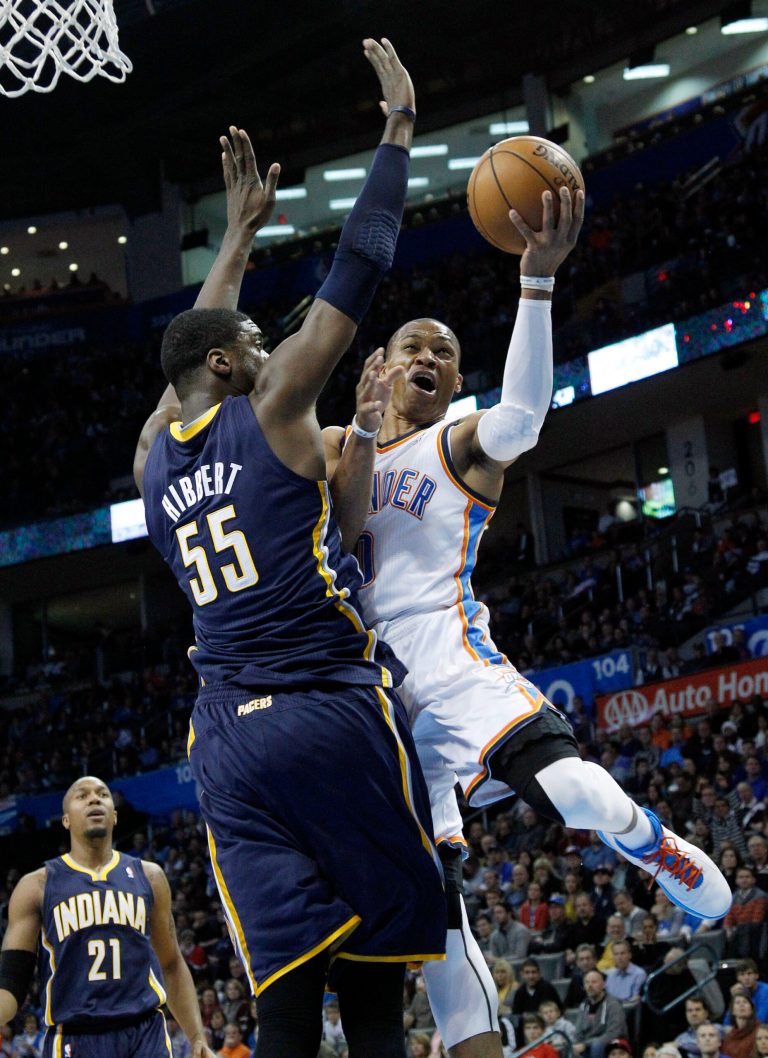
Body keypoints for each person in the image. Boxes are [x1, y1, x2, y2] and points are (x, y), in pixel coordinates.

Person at [323, 155, 730, 1058]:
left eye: (445, 354)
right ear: (379, 366)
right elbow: (339, 537)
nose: (427, 358)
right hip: (373, 707)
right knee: (434, 919)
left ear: (454, 382)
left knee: (580, 791)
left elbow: (524, 418)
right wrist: (352, 435)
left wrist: (535, 282)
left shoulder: (458, 443)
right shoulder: (339, 449)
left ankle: (648, 841)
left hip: (455, 669)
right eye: (412, 347)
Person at [134, 40, 446, 1058]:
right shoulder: (269, 405)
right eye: (258, 347)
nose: (276, 354)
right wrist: (396, 132)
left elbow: (194, 341)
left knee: (282, 988)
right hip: (325, 709)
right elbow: (361, 267)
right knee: (371, 983)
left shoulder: (147, 457)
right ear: (231, 364)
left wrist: (234, 238)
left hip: (227, 742)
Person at [0, 776, 212, 1058]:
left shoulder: (150, 877)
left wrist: (197, 1036)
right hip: (75, 1037)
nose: (93, 799)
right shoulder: (36, 886)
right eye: (81, 795)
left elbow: (171, 964)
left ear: (114, 816)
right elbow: (11, 985)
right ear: (65, 820)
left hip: (145, 1033)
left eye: (102, 794)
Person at [572, 970, 628, 1058]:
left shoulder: (613, 1004)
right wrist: (574, 1045)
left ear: (603, 985)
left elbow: (614, 1032)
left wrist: (585, 1044)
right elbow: (578, 1032)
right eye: (587, 983)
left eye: (594, 982)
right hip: (587, 1045)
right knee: (567, 1048)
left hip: (608, 1044)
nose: (590, 985)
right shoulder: (583, 1005)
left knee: (597, 1045)